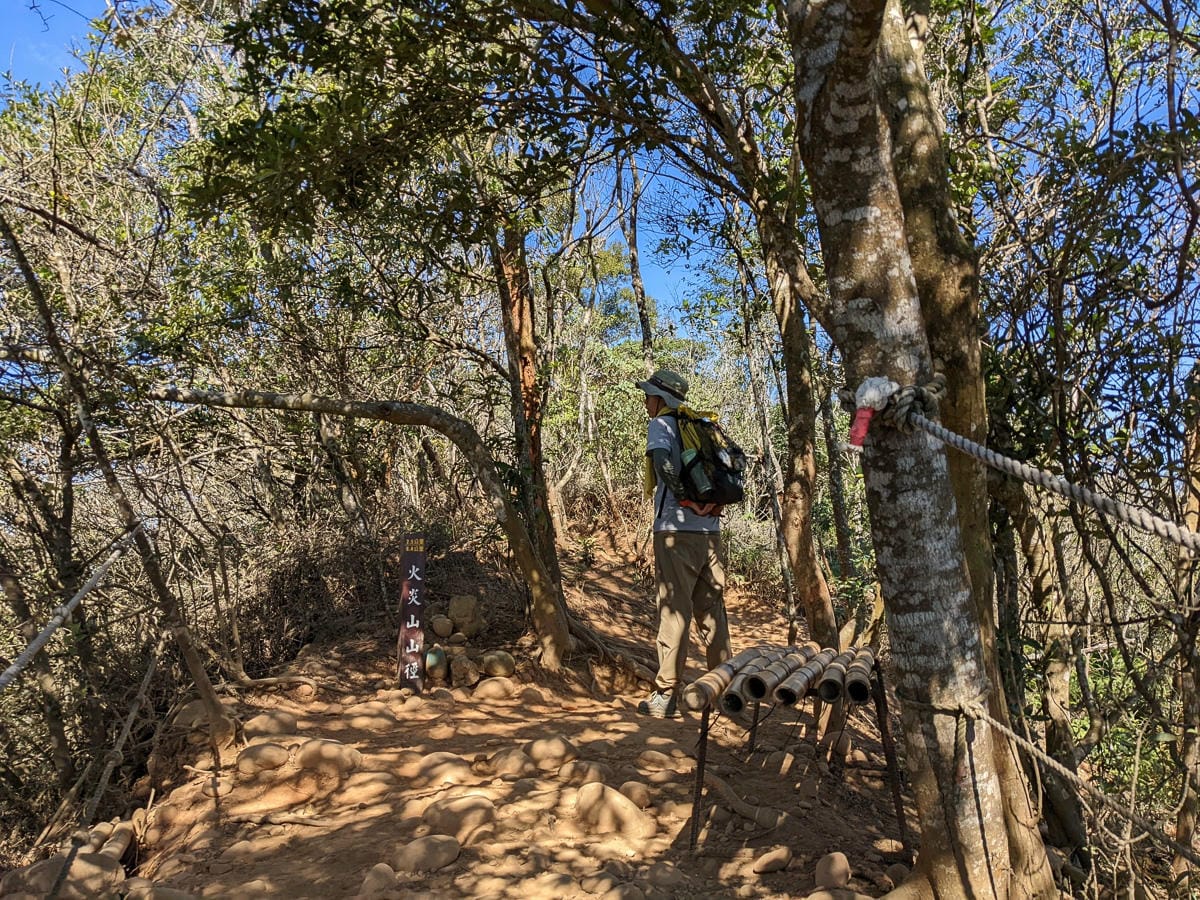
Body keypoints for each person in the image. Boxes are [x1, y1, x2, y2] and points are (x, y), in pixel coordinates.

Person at [635, 368, 732, 718]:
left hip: (675, 533)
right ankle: (723, 688)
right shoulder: (702, 426)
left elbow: (662, 462)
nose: (646, 401)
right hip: (710, 533)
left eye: (649, 395)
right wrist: (704, 505)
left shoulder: (662, 424)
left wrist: (683, 498)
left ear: (661, 399)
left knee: (673, 611)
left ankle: (665, 694)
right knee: (712, 612)